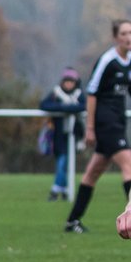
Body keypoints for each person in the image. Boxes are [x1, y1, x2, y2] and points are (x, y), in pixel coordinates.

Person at [65, 20, 131, 232]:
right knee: (129, 165)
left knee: (93, 172)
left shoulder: (129, 60)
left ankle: (72, 221)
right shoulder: (107, 60)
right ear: (115, 37)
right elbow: (91, 94)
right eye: (124, 33)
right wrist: (90, 127)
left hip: (118, 120)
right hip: (105, 121)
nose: (128, 37)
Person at [39, 68, 85, 201]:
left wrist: (65, 108)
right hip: (58, 135)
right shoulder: (56, 93)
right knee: (62, 162)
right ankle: (61, 190)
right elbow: (44, 105)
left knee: (65, 163)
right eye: (67, 81)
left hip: (73, 135)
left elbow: (83, 106)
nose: (69, 84)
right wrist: (66, 108)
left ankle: (58, 190)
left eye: (71, 82)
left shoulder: (79, 94)